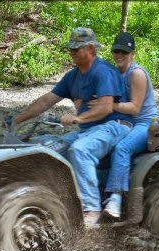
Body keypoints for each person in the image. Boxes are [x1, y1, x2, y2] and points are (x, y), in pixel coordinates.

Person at [13, 27, 133, 225]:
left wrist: (79, 119)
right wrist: (16, 119)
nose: (73, 52)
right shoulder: (72, 76)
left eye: (77, 49)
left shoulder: (104, 72)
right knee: (45, 147)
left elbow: (106, 107)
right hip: (89, 130)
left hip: (115, 126)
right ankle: (56, 202)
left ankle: (91, 210)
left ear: (91, 48)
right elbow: (45, 101)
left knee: (80, 150)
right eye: (71, 49)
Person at [88, 32, 159, 219]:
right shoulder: (113, 73)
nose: (119, 55)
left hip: (145, 123)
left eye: (124, 52)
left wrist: (107, 105)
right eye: (116, 51)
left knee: (122, 148)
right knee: (98, 145)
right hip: (125, 123)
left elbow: (135, 108)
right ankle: (96, 194)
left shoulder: (137, 74)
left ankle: (116, 200)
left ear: (132, 54)